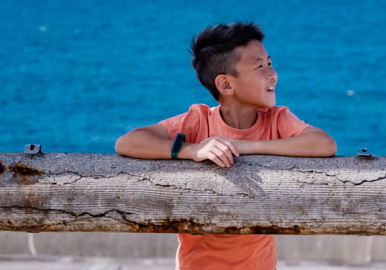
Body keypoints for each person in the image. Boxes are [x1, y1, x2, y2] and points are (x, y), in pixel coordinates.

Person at [115, 22, 337, 270]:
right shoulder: (198, 121)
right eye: (260, 66)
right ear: (226, 85)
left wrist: (245, 146)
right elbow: (129, 141)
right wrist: (192, 150)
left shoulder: (276, 119)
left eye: (270, 63)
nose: (272, 74)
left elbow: (324, 143)